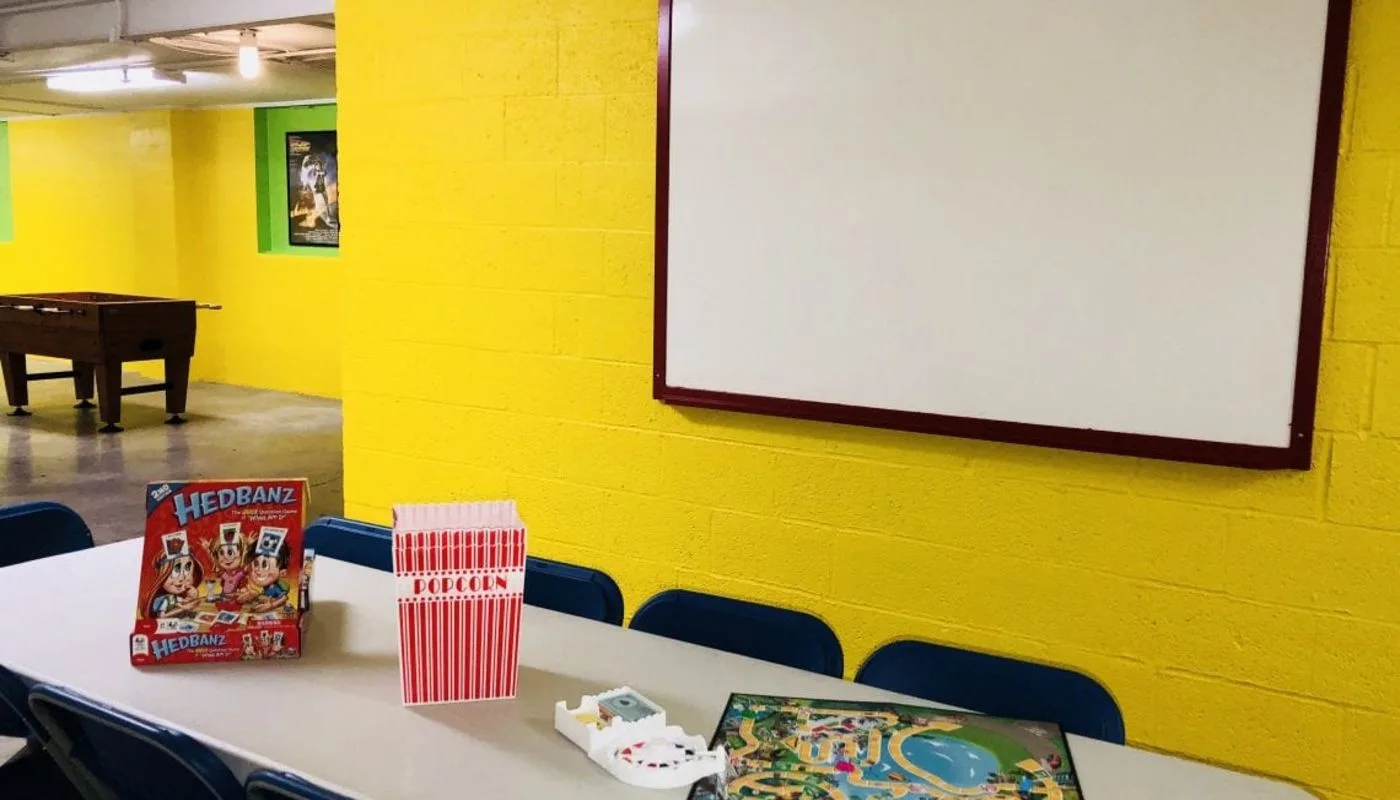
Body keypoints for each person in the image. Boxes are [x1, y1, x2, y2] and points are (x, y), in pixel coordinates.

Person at [143, 531, 203, 619]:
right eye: (176, 569)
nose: (182, 577)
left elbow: (181, 604)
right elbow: (162, 616)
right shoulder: (163, 599)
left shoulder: (175, 597)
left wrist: (192, 597)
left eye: (187, 568)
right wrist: (184, 608)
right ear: (163, 574)